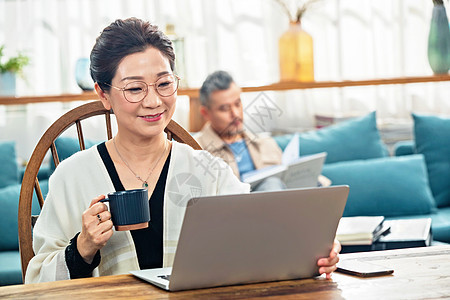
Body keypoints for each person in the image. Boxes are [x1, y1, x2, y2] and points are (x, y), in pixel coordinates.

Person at [26, 18, 339, 283]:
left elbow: (262, 238)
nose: (153, 101)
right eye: (135, 88)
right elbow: (36, 282)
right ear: (103, 94)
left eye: (164, 83)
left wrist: (316, 249)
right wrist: (83, 247)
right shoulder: (72, 176)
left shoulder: (209, 170)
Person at [196, 70, 330, 191]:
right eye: (225, 109)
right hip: (233, 213)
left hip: (277, 207)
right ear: (205, 113)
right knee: (271, 184)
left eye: (238, 104)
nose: (235, 114)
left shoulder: (265, 143)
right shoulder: (195, 150)